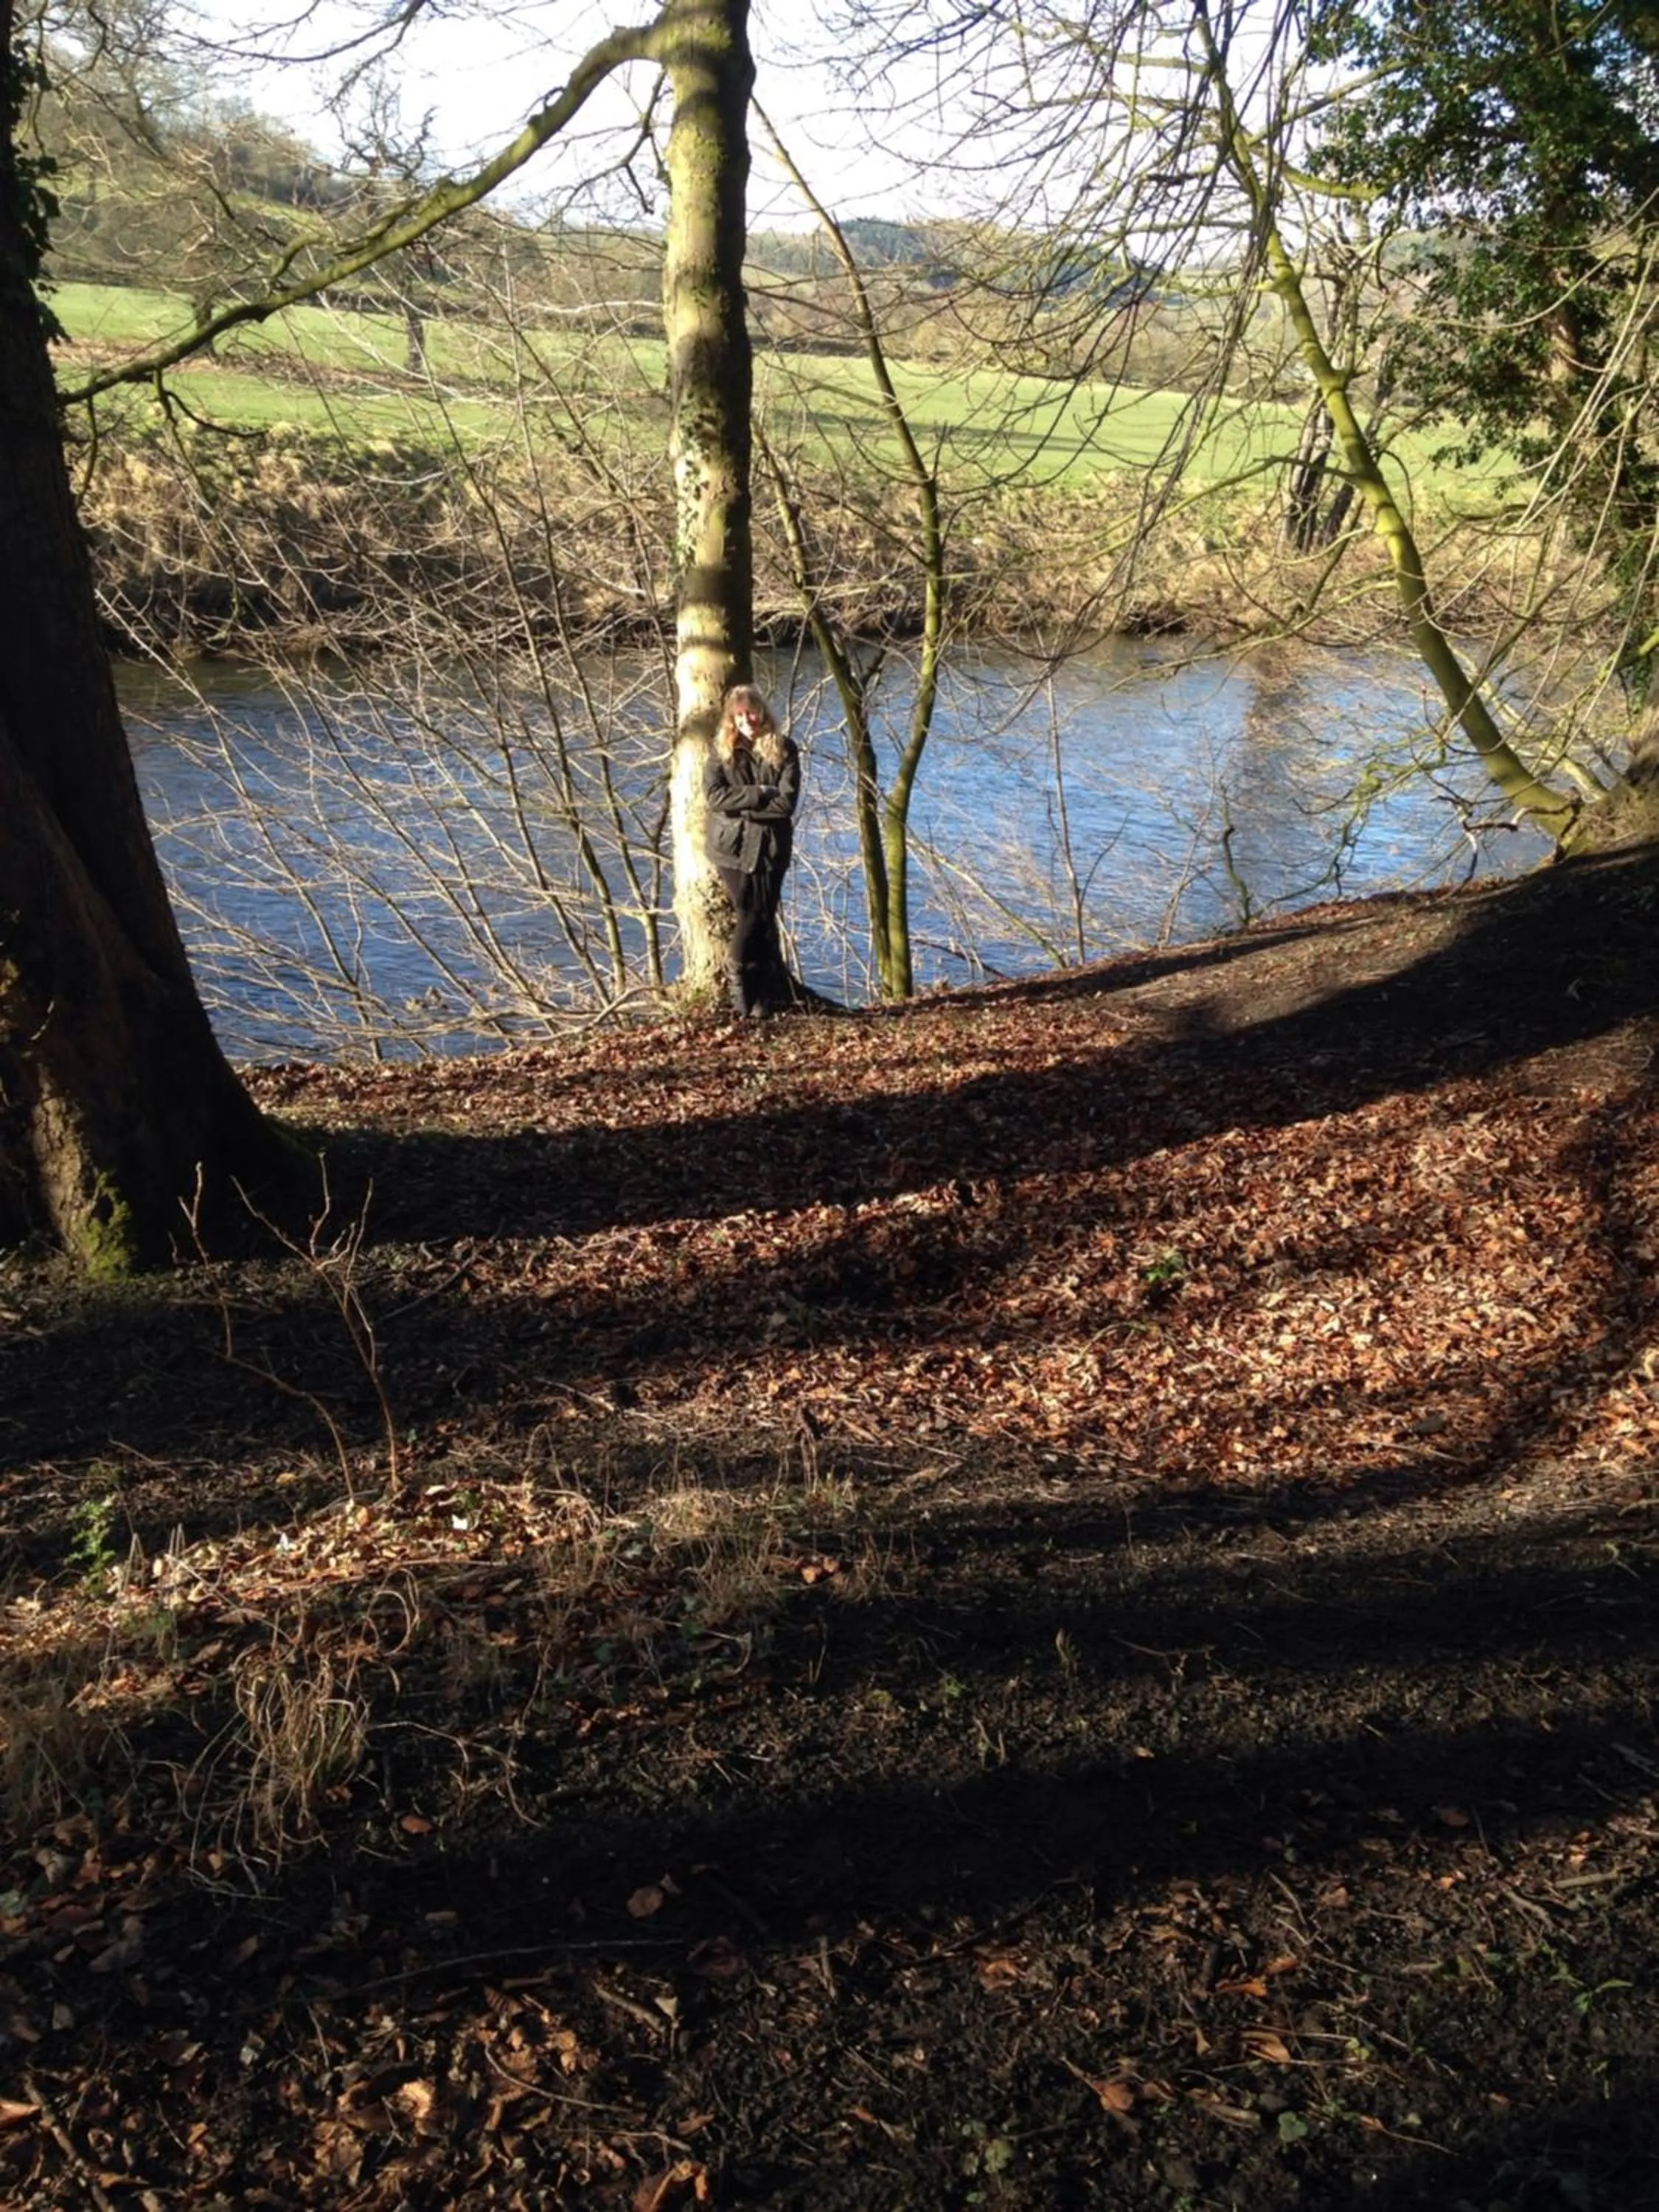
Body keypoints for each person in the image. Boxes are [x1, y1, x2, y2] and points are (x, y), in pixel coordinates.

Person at [703, 684, 801, 1017]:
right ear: (732, 718)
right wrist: (759, 793)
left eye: (752, 711)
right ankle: (740, 992)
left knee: (764, 919)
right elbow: (715, 798)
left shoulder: (785, 749)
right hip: (731, 848)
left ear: (763, 711)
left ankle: (762, 994)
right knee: (749, 915)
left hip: (772, 848)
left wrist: (740, 803)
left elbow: (786, 804)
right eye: (741, 714)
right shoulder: (721, 751)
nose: (748, 720)